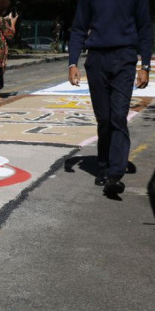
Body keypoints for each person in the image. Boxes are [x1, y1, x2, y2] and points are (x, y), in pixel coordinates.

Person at [68, 0, 151, 195]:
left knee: (118, 117)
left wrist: (145, 66)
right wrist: (72, 63)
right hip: (97, 59)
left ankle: (115, 174)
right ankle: (103, 165)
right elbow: (79, 29)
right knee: (104, 118)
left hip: (125, 59)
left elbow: (145, 29)